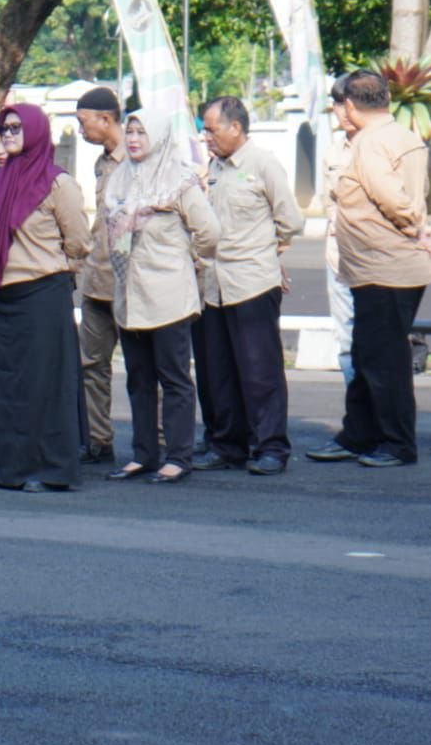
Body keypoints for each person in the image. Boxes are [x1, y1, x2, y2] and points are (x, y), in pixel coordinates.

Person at [307, 70, 431, 468]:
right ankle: (359, 435)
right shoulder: (404, 136)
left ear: (349, 104)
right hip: (381, 268)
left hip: (385, 267)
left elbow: (394, 200)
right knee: (367, 356)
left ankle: (397, 444)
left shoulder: (370, 143)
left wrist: (412, 224)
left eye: (338, 105)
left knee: (384, 363)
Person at [0, 104, 90, 493]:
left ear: (37, 132)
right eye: (3, 129)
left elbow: (78, 240)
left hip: (42, 291)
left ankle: (48, 468)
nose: (7, 135)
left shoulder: (58, 184)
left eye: (15, 128)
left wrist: (59, 271)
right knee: (4, 384)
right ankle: (6, 467)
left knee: (45, 384)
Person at [104, 109, 220, 485]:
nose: (134, 138)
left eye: (142, 131)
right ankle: (144, 454)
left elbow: (209, 231)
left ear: (158, 136)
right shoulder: (120, 176)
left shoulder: (179, 179)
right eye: (130, 131)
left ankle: (179, 456)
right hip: (129, 293)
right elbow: (113, 228)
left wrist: (191, 261)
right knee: (138, 379)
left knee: (173, 378)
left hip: (168, 292)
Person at [191, 97, 303, 475]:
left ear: (235, 128)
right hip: (213, 284)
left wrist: (269, 253)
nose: (205, 137)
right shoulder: (215, 167)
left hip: (252, 282)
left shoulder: (263, 164)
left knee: (260, 372)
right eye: (204, 129)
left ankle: (270, 446)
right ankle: (226, 445)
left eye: (211, 129)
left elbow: (290, 220)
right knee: (216, 371)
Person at [73, 87, 126, 465]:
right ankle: (98, 440)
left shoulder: (140, 160)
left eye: (83, 122)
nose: (80, 130)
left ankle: (155, 444)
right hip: (97, 279)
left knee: (146, 370)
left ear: (106, 119)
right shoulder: (102, 163)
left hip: (132, 282)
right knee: (91, 365)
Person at [323, 79, 357, 381]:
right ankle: (357, 418)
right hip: (337, 258)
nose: (344, 112)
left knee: (378, 344)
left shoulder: (385, 147)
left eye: (349, 103)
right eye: (337, 104)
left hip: (375, 259)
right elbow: (328, 205)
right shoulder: (333, 152)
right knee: (346, 343)